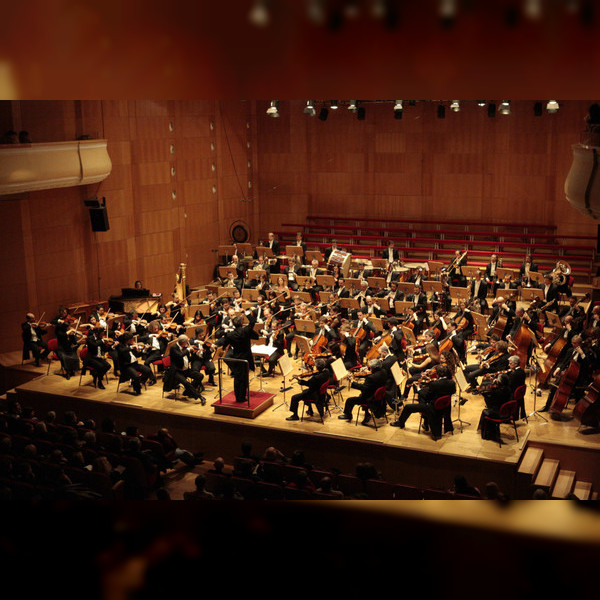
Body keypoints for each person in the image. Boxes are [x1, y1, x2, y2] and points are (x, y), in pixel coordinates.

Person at [391, 364, 456, 439]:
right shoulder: (452, 383)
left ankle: (401, 422)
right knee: (422, 396)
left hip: (432, 408)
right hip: (445, 407)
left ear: (438, 374)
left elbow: (428, 396)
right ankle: (425, 422)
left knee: (408, 407)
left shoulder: (434, 384)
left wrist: (418, 388)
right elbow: (450, 391)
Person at [215, 307, 259, 402]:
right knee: (244, 378)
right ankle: (242, 397)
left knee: (237, 378)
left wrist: (222, 349)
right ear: (241, 323)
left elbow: (225, 344)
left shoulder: (230, 335)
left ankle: (238, 397)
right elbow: (252, 322)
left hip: (237, 358)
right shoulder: (245, 331)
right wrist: (247, 313)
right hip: (246, 358)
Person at [338, 358, 389, 425]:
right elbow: (373, 377)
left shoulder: (371, 378)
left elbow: (363, 388)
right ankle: (367, 414)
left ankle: (348, 415)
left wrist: (352, 382)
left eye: (370, 367)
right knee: (360, 395)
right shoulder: (384, 372)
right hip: (379, 397)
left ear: (373, 368)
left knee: (349, 400)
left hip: (370, 399)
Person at [164, 335, 206, 403]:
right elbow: (180, 355)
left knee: (200, 376)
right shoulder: (174, 348)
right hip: (177, 371)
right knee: (186, 383)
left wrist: (195, 354)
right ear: (183, 342)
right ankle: (199, 397)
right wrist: (188, 350)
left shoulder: (184, 348)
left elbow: (188, 360)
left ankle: (187, 392)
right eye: (187, 342)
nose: (188, 343)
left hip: (186, 370)